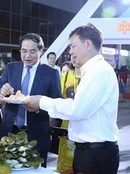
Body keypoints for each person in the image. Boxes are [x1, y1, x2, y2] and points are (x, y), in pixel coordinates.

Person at [23, 23, 119, 174]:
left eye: (73, 46)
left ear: (88, 44)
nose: (70, 51)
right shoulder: (93, 71)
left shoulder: (99, 71)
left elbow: (77, 109)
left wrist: (41, 101)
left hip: (96, 155)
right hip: (90, 152)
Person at [0, 33, 61, 167]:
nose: (27, 56)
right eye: (24, 51)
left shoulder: (51, 73)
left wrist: (39, 109)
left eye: (32, 51)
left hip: (37, 134)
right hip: (9, 131)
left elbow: (57, 104)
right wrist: (2, 91)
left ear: (41, 51)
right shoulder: (11, 68)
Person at [56, 59, 80, 173]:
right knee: (65, 163)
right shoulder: (66, 76)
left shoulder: (90, 76)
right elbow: (59, 100)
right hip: (66, 126)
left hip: (85, 129)